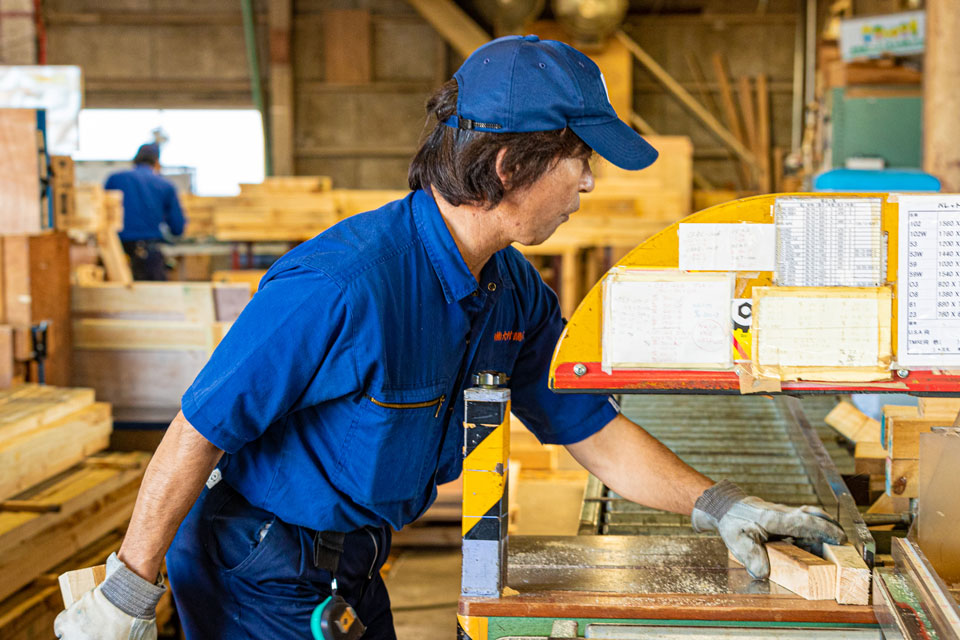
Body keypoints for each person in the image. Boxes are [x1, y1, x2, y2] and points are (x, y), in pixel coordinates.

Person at [55, 36, 843, 640]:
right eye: (579, 160)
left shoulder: (512, 288)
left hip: (353, 565)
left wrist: (719, 503)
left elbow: (587, 426)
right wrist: (130, 587)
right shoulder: (344, 284)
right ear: (508, 167)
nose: (590, 183)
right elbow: (200, 427)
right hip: (255, 567)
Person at [104, 143, 186, 281]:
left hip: (115, 252)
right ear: (156, 163)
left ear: (135, 160)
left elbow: (102, 213)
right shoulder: (165, 185)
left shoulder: (115, 179)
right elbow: (177, 227)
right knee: (154, 297)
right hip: (149, 254)